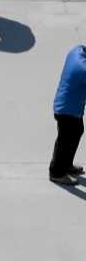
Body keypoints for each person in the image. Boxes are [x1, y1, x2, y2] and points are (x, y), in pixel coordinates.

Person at [49, 44, 86, 185]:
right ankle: (56, 172)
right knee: (65, 141)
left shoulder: (77, 51)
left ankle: (67, 165)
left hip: (71, 106)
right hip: (67, 110)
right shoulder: (82, 68)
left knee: (77, 132)